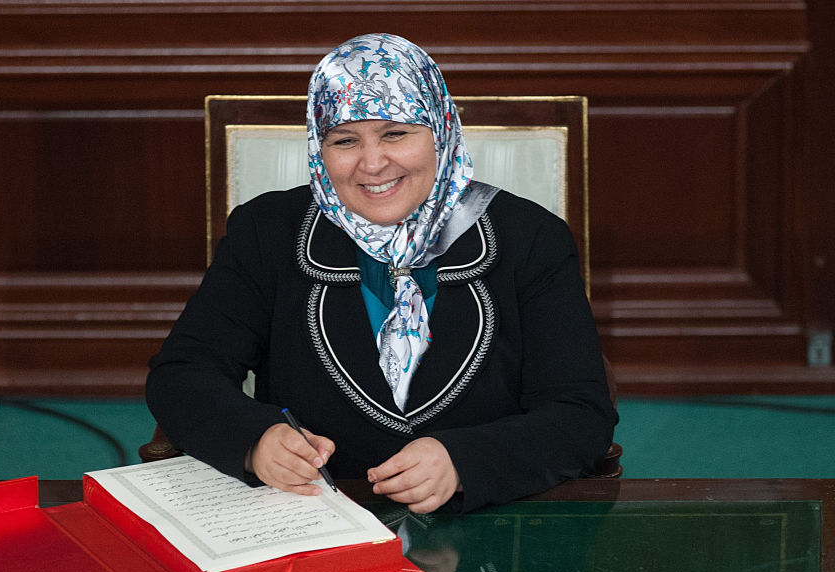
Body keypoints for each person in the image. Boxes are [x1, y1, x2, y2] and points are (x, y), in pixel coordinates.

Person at [146, 33, 616, 514]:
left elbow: (579, 412)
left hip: (491, 519)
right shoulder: (267, 233)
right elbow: (182, 374)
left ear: (440, 131)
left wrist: (466, 460)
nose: (372, 164)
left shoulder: (530, 237)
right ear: (318, 149)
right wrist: (255, 441)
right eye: (345, 141)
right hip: (311, 519)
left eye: (396, 134)